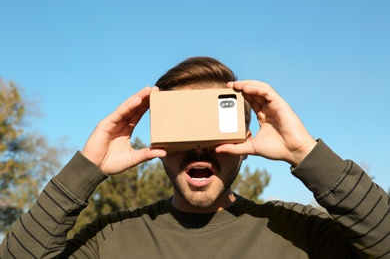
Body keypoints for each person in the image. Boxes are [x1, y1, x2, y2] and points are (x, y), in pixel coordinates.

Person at [1, 57, 389, 258]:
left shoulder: (300, 233)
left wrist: (306, 152)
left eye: (215, 131)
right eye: (184, 130)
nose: (200, 148)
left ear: (246, 142)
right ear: (159, 144)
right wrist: (85, 170)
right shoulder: (111, 239)